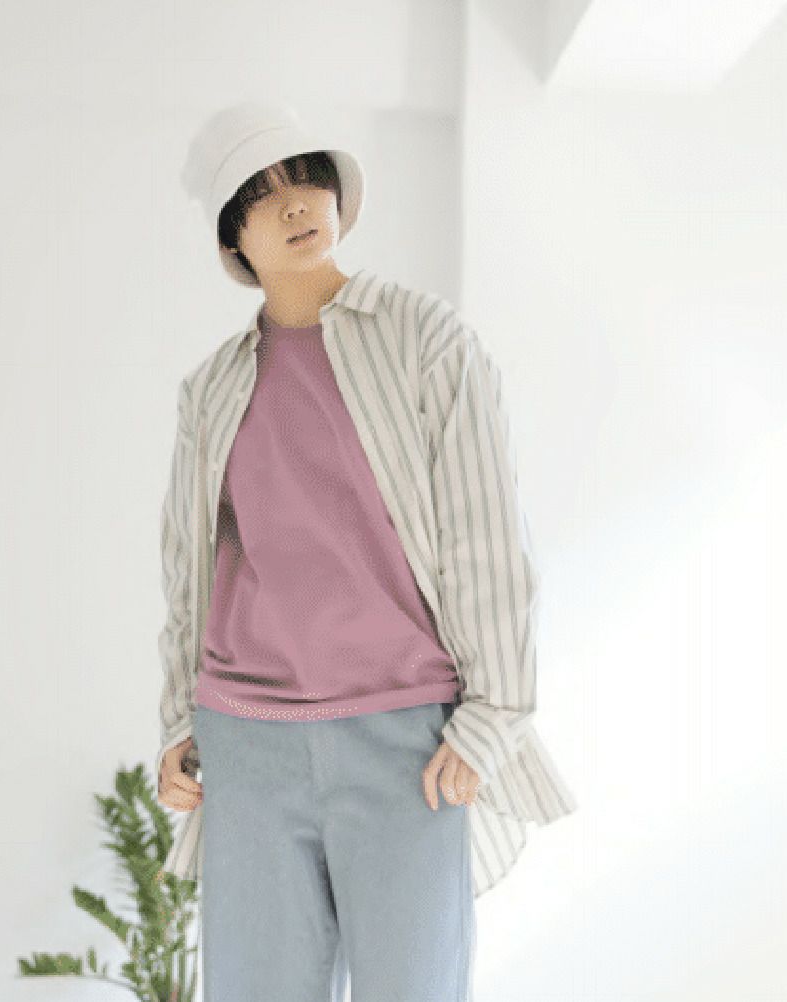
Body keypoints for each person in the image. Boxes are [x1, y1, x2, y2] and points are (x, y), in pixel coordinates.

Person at [155, 101, 577, 1002]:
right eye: (263, 195)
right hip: (247, 743)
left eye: (308, 178)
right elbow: (191, 573)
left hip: (404, 741)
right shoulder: (212, 388)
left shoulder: (426, 339)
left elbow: (484, 535)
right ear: (234, 239)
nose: (295, 204)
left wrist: (493, 715)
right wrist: (177, 727)